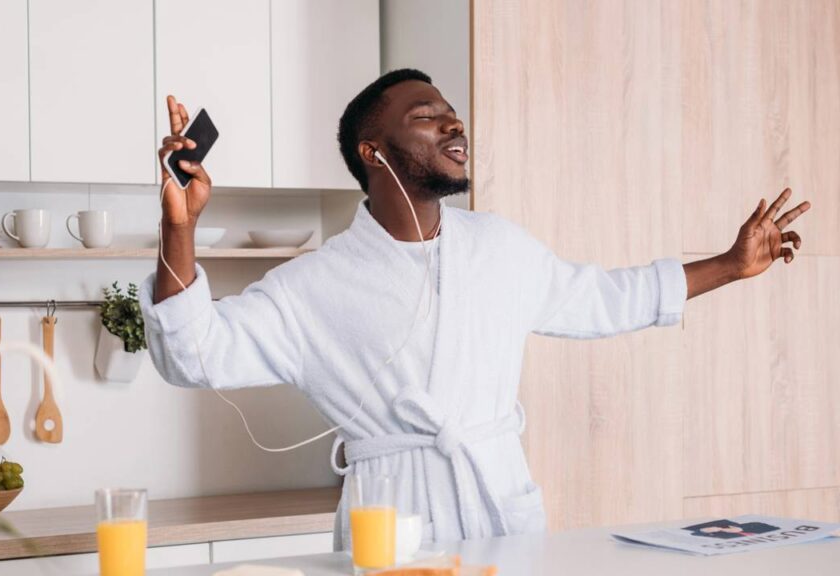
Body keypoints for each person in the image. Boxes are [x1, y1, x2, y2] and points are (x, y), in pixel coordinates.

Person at [139, 69, 811, 548]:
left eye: (450, 111)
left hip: (498, 505)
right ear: (372, 152)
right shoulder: (313, 285)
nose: (452, 121)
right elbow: (192, 353)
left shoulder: (499, 247)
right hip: (392, 516)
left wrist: (728, 265)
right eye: (425, 115)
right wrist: (180, 226)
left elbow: (605, 299)